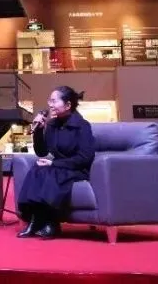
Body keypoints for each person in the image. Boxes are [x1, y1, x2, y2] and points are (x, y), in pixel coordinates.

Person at [17, 86, 95, 239]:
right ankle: (34, 219)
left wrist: (54, 164)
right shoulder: (52, 125)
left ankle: (51, 222)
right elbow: (41, 152)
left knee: (51, 173)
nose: (50, 105)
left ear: (68, 105)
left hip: (76, 168)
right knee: (37, 169)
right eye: (49, 101)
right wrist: (39, 131)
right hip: (58, 167)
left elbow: (85, 157)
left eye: (54, 101)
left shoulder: (82, 126)